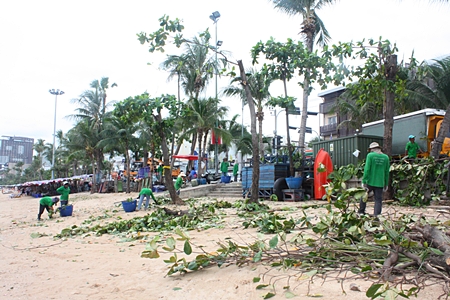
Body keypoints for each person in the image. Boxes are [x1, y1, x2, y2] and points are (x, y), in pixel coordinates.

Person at [359, 142, 390, 217]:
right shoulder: (386, 157)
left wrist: (364, 181)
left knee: (364, 197)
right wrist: (386, 183)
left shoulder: (370, 156)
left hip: (370, 181)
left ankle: (361, 212)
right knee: (378, 200)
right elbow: (386, 172)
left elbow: (367, 169)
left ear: (372, 149)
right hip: (380, 182)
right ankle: (377, 215)